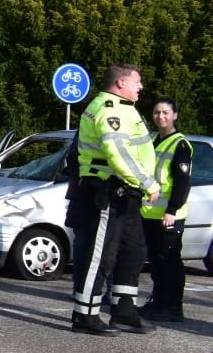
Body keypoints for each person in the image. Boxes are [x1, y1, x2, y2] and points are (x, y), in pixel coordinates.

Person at [66, 64, 159, 335]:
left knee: (133, 251)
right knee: (101, 256)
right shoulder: (109, 110)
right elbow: (118, 153)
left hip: (126, 192)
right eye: (137, 82)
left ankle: (124, 311)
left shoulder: (124, 107)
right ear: (120, 83)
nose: (141, 87)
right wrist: (147, 183)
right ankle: (85, 316)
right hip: (107, 190)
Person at [140, 98, 194, 322]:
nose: (160, 116)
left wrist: (171, 210)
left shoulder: (180, 145)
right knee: (156, 262)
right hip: (150, 213)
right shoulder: (154, 141)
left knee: (170, 261)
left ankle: (172, 307)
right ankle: (158, 302)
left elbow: (182, 183)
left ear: (175, 115)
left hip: (169, 215)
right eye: (156, 112)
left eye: (165, 112)